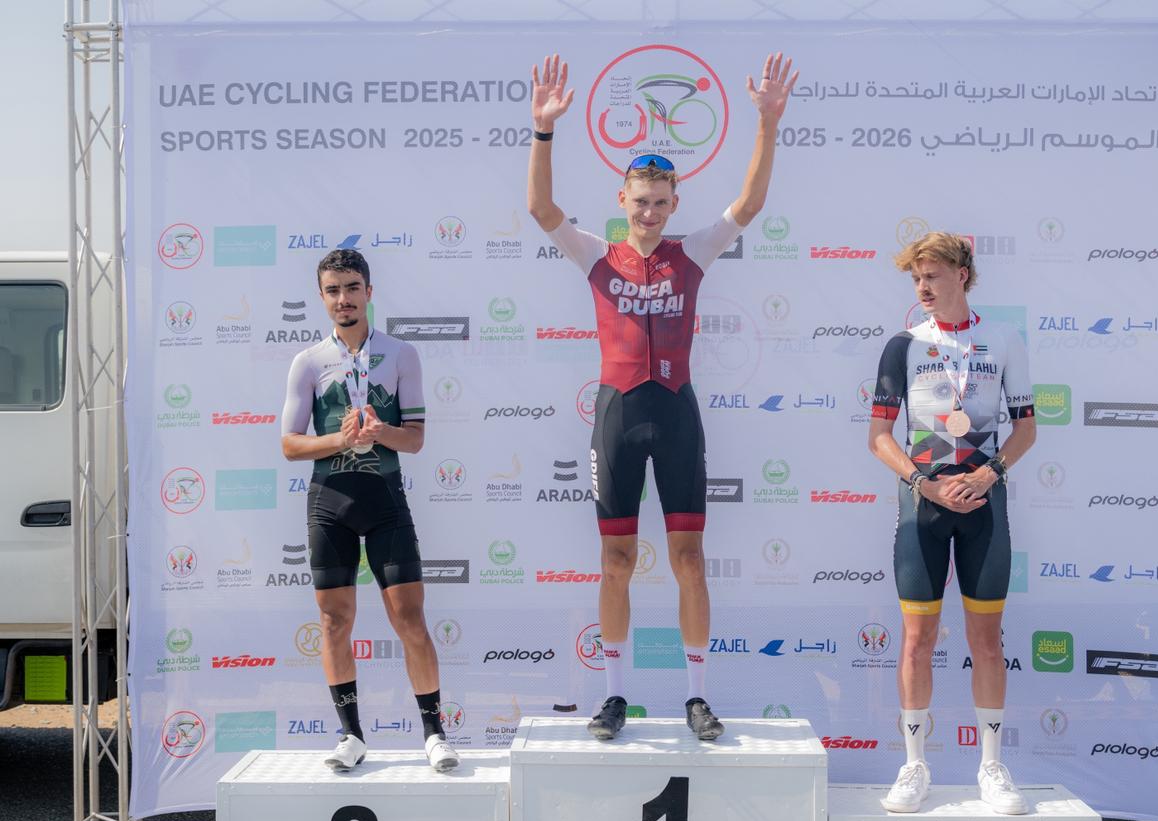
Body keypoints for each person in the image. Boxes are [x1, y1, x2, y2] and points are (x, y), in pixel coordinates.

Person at [526, 51, 799, 741]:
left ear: (674, 205)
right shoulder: (595, 254)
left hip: (676, 414)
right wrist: (544, 130)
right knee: (615, 562)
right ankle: (614, 695)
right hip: (618, 416)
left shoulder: (692, 253)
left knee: (689, 561)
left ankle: (697, 697)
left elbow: (750, 204)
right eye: (639, 200)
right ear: (622, 201)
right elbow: (540, 208)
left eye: (659, 202)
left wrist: (767, 123)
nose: (649, 211)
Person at [869, 232, 1037, 814]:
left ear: (962, 274)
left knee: (986, 641)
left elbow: (1026, 429)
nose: (922, 287)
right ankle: (914, 765)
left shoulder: (1004, 339)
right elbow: (879, 437)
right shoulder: (904, 344)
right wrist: (926, 484)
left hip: (984, 503)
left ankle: (992, 766)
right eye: (916, 277)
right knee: (917, 641)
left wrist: (988, 475)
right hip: (924, 503)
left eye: (932, 275)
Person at [281, 248, 459, 773]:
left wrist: (382, 433)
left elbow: (416, 440)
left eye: (352, 288)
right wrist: (340, 440)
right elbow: (290, 445)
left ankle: (435, 733)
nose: (344, 299)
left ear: (369, 292)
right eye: (333, 290)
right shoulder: (309, 361)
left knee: (410, 618)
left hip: (384, 501)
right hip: (329, 502)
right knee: (334, 621)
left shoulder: (401, 354)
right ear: (322, 297)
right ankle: (351, 735)